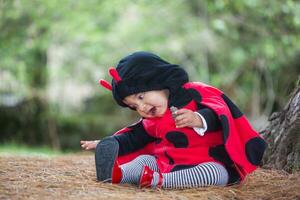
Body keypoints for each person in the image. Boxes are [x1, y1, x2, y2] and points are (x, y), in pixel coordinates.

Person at [80, 51, 266, 189]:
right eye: (134, 106)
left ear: (158, 81)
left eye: (141, 96)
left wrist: (198, 119)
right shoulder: (151, 121)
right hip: (167, 164)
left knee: (218, 173)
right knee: (145, 159)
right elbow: (133, 138)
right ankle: (118, 174)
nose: (142, 107)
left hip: (205, 162)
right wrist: (107, 143)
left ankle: (159, 182)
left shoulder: (192, 95)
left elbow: (220, 115)